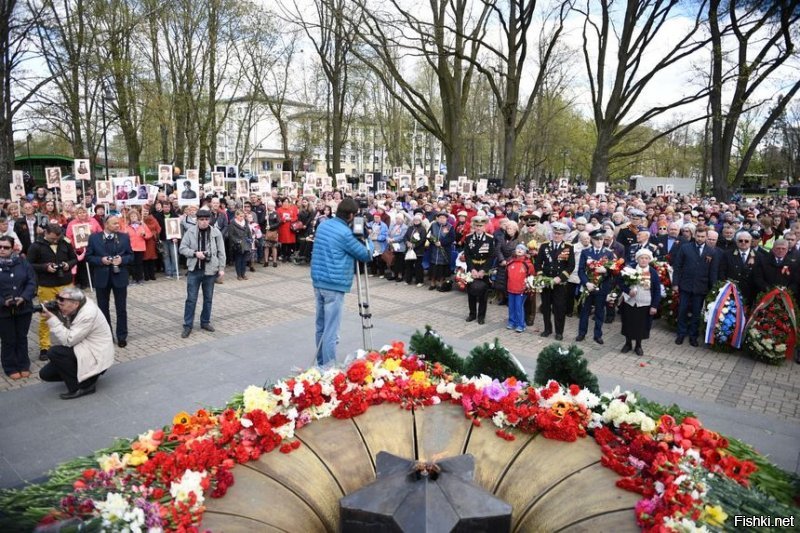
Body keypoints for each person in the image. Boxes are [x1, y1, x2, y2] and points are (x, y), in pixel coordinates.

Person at [309, 198, 373, 366]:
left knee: (321, 326)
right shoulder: (345, 233)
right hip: (334, 283)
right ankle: (329, 368)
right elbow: (365, 254)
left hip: (319, 281)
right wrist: (368, 238)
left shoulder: (324, 224)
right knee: (331, 329)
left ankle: (322, 362)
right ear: (351, 215)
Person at [38, 287, 114, 399]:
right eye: (58, 300)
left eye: (62, 303)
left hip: (96, 354)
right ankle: (86, 377)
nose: (59, 305)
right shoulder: (78, 304)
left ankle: (81, 387)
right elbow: (69, 327)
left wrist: (52, 319)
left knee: (54, 352)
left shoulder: (88, 313)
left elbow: (68, 340)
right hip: (84, 347)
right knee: (45, 374)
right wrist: (57, 313)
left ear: (75, 303)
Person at [27, 224, 78, 359]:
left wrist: (68, 264)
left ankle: (71, 341)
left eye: (57, 238)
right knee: (46, 316)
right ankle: (44, 347)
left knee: (70, 314)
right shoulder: (36, 246)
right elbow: (28, 265)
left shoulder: (65, 242)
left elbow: (74, 259)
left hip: (66, 284)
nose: (55, 241)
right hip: (47, 285)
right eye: (53, 238)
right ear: (46, 232)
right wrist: (45, 267)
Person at [86, 215, 134, 348]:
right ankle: (107, 335)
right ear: (106, 225)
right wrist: (101, 260)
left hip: (120, 277)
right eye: (114, 224)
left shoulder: (124, 237)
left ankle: (122, 336)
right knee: (103, 309)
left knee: (121, 308)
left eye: (118, 224)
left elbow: (131, 255)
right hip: (102, 278)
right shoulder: (94, 238)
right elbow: (88, 257)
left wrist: (122, 260)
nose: (117, 226)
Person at [179, 208, 226, 338]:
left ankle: (205, 321)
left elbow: (222, 252)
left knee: (208, 299)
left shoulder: (216, 232)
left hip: (210, 271)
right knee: (191, 299)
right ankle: (188, 325)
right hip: (194, 270)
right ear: (197, 220)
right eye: (201, 220)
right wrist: (195, 253)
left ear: (209, 220)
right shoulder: (190, 231)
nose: (204, 222)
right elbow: (182, 248)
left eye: (206, 219)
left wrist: (221, 268)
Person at [672, 225, 719, 347]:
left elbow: (713, 272)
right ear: (694, 235)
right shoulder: (685, 248)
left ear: (706, 237)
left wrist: (713, 289)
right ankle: (681, 333)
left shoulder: (711, 251)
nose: (700, 238)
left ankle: (693, 336)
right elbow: (677, 266)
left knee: (696, 313)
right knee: (682, 310)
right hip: (685, 285)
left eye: (703, 236)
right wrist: (675, 283)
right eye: (698, 236)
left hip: (701, 287)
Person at [0, 236, 36, 379]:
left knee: (22, 337)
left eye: (6, 247)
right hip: (3, 310)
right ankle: (10, 366)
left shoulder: (22, 262)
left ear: (13, 248)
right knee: (8, 339)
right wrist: (3, 301)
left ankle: (23, 364)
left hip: (23, 307)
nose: (2, 250)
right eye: (0, 247)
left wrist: (24, 297)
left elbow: (31, 282)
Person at [534, 222, 575, 340]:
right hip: (546, 282)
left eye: (559, 234)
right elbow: (538, 263)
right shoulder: (544, 245)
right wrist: (541, 276)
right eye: (555, 233)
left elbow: (570, 266)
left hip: (559, 284)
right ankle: (547, 329)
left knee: (559, 308)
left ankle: (559, 332)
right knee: (546, 307)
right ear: (552, 233)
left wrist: (560, 278)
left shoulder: (568, 247)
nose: (557, 236)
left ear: (563, 235)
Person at [619, 248, 662, 356]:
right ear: (637, 259)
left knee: (641, 325)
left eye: (646, 258)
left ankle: (638, 345)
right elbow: (620, 282)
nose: (643, 260)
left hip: (645, 303)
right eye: (641, 258)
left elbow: (657, 290)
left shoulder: (653, 272)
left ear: (649, 260)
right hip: (630, 302)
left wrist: (654, 306)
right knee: (628, 323)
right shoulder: (630, 268)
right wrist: (628, 291)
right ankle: (628, 343)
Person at [577, 228, 617, 344]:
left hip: (602, 287)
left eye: (601, 239)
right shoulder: (586, 252)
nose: (599, 241)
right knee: (585, 311)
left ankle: (597, 335)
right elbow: (580, 270)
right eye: (596, 239)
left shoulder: (608, 253)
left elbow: (613, 271)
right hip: (588, 287)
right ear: (592, 240)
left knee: (600, 311)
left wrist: (606, 270)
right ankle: (581, 333)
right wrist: (587, 283)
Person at [463, 214, 495, 325]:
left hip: (483, 269)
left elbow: (491, 256)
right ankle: (472, 314)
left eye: (481, 226)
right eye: (476, 226)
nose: (478, 228)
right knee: (471, 292)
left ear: (485, 226)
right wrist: (472, 269)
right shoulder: (468, 237)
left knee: (483, 293)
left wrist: (483, 270)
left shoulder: (490, 239)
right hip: (472, 268)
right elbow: (467, 255)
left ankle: (481, 316)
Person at [719, 230, 756, 307]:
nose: (743, 242)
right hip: (731, 291)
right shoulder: (727, 254)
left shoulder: (758, 256)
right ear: (736, 241)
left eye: (746, 241)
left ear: (750, 242)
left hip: (750, 292)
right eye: (740, 240)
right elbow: (722, 272)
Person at [506, 243, 534, 332]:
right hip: (511, 288)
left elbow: (531, 276)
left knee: (519, 307)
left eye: (522, 249)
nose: (519, 250)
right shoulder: (510, 262)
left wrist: (529, 288)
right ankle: (511, 322)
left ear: (525, 252)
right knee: (511, 306)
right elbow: (506, 275)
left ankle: (521, 324)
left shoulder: (528, 264)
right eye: (518, 248)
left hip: (522, 290)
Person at [427, 211, 454, 291]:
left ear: (446, 219)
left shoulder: (450, 227)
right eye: (440, 217)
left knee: (442, 268)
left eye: (443, 218)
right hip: (434, 250)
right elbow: (428, 235)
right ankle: (432, 282)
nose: (442, 219)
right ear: (437, 218)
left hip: (444, 250)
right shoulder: (433, 225)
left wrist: (441, 243)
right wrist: (433, 241)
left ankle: (440, 282)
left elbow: (452, 238)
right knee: (433, 267)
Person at [227, 209, 251, 280]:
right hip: (237, 245)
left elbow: (248, 232)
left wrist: (250, 239)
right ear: (236, 216)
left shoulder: (245, 223)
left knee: (244, 260)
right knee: (238, 259)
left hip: (245, 243)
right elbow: (231, 235)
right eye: (240, 216)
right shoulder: (232, 224)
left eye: (243, 216)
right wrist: (237, 241)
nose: (242, 218)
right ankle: (239, 275)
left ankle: (243, 274)